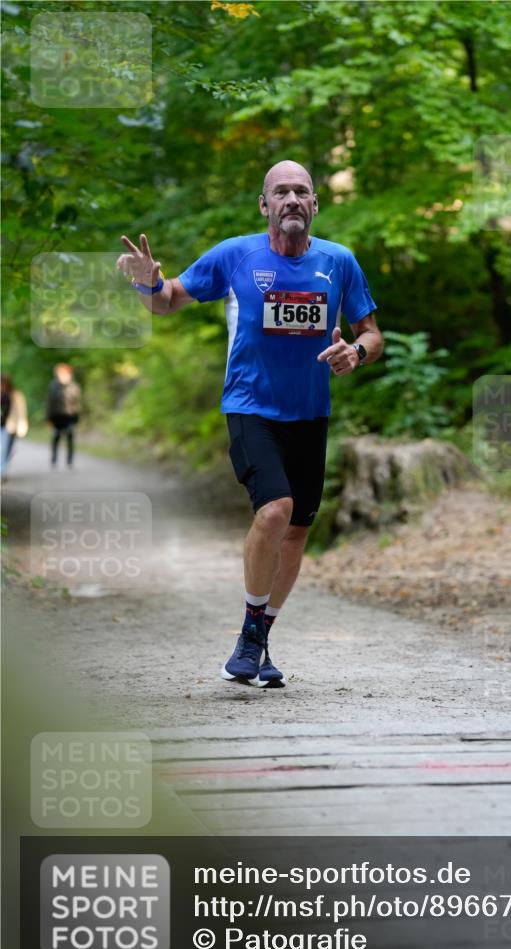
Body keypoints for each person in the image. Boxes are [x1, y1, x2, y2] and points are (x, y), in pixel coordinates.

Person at [116, 159, 383, 689]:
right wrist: (150, 284)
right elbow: (168, 302)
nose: (291, 200)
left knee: (298, 531)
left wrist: (355, 352)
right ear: (264, 205)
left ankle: (257, 639)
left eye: (301, 192)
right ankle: (249, 638)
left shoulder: (339, 261)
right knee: (274, 512)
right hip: (250, 407)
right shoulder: (237, 256)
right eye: (280, 192)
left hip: (311, 413)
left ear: (314, 204)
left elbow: (371, 332)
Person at [47, 363, 82, 469]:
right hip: (56, 417)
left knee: (70, 437)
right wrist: (48, 418)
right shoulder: (53, 386)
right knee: (56, 437)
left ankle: (69, 461)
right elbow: (49, 403)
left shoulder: (74, 387)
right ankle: (54, 460)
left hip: (70, 416)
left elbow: (77, 403)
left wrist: (77, 417)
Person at [1, 374, 29, 480]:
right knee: (2, 449)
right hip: (2, 425)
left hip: (10, 426)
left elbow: (21, 411)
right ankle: (2, 469)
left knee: (7, 449)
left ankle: (3, 470)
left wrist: (22, 423)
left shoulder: (15, 395)